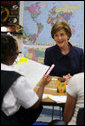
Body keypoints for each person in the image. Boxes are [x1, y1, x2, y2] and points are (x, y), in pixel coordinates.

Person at [1, 34, 51, 125]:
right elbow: (34, 104)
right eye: (17, 50)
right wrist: (42, 84)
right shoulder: (16, 79)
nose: (17, 53)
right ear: (11, 53)